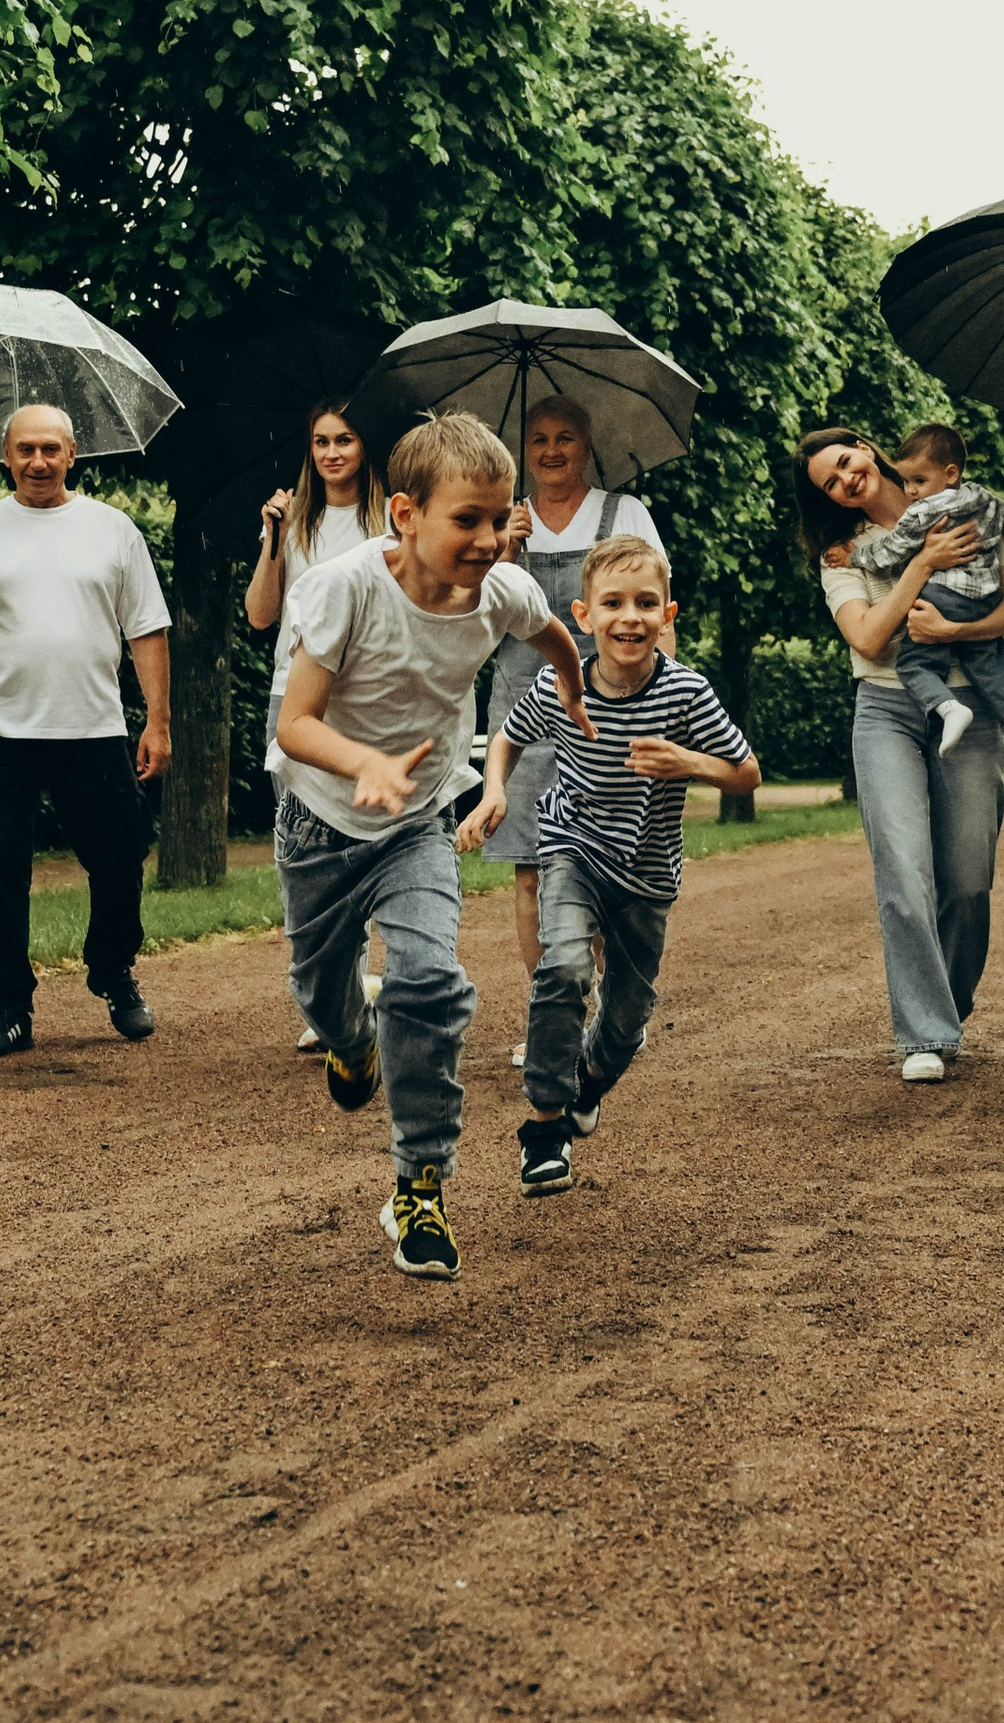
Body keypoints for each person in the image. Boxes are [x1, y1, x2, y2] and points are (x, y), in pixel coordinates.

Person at [272, 411, 593, 1283]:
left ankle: (419, 1182)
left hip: (415, 822)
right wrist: (364, 760)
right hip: (319, 822)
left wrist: (570, 685)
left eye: (500, 519)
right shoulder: (346, 588)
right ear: (405, 514)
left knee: (429, 980)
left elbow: (552, 632)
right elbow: (296, 724)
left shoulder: (502, 590)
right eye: (468, 520)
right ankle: (350, 1039)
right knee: (320, 994)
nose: (490, 540)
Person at [457, 530, 758, 1197]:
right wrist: (496, 790)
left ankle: (590, 1079)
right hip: (573, 849)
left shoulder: (686, 694)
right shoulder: (562, 684)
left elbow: (746, 771)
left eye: (646, 603)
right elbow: (506, 737)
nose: (630, 617)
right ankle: (543, 1129)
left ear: (667, 616)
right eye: (614, 603)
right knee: (561, 966)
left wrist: (690, 762)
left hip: (647, 876)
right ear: (584, 617)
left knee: (625, 1019)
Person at [0, 403, 171, 1062]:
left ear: (72, 454)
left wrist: (159, 721)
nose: (38, 461)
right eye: (25, 449)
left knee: (120, 856)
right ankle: (8, 1006)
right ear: (6, 456)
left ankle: (112, 973)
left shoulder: (112, 530)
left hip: (93, 727)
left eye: (50, 449)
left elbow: (145, 627)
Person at [798, 429, 1004, 1082]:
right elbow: (869, 638)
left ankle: (945, 1007)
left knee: (968, 879)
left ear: (868, 450)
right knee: (902, 867)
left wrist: (957, 630)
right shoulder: (841, 552)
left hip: (970, 708)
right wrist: (922, 566)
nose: (844, 481)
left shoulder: (963, 507)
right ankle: (923, 1032)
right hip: (886, 711)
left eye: (845, 463)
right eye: (829, 483)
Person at [480, 397, 663, 1057]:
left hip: (608, 706)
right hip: (524, 704)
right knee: (530, 866)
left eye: (564, 438)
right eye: (537, 440)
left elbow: (652, 616)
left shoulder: (625, 515)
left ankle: (617, 1013)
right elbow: (470, 621)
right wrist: (502, 550)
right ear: (522, 451)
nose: (551, 451)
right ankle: (554, 1022)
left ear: (587, 445)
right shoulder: (499, 521)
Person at [243, 400, 387, 1050]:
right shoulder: (292, 522)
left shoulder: (387, 522)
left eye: (346, 440)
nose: (332, 453)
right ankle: (330, 996)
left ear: (364, 447)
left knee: (356, 846)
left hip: (363, 700)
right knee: (307, 851)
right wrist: (271, 538)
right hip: (291, 698)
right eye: (322, 442)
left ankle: (353, 988)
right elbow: (259, 615)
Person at [840, 422, 1004, 772]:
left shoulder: (921, 512)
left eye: (919, 481)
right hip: (985, 597)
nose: (912, 490)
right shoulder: (982, 497)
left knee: (914, 663)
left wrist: (854, 557)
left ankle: (949, 708)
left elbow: (889, 551)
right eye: (907, 482)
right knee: (989, 662)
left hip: (943, 597)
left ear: (949, 474)